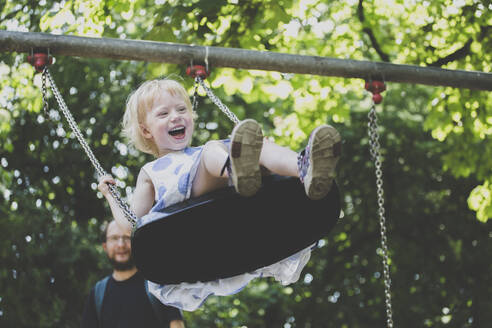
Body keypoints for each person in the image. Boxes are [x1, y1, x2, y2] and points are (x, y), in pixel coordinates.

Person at [98, 78, 342, 311]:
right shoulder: (149, 172)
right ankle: (239, 172)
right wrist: (111, 195)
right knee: (213, 150)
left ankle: (305, 169)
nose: (176, 116)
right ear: (146, 131)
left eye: (182, 109)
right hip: (185, 214)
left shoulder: (207, 152)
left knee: (257, 145)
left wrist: (255, 153)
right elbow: (132, 223)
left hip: (229, 199)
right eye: (163, 114)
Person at [81, 220, 185, 328]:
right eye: (114, 238)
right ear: (105, 246)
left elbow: (177, 324)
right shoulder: (97, 293)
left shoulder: (157, 283)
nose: (121, 245)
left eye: (126, 237)